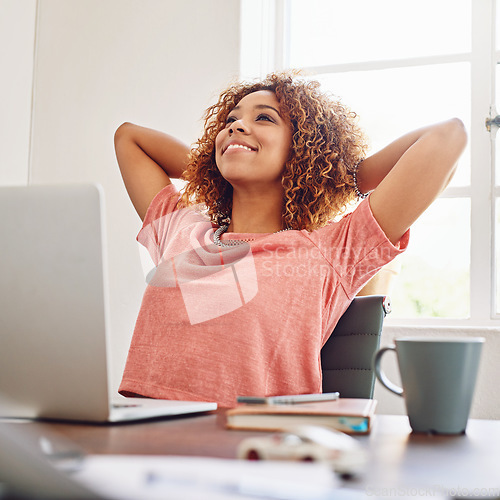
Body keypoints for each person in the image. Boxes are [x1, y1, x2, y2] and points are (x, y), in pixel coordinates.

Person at [114, 72, 467, 407]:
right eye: (230, 122)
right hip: (146, 442)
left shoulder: (332, 250)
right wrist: (217, 158)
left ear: (302, 149)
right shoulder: (182, 231)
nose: (236, 125)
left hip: (254, 448)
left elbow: (448, 137)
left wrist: (344, 173)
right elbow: (128, 137)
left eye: (264, 119)